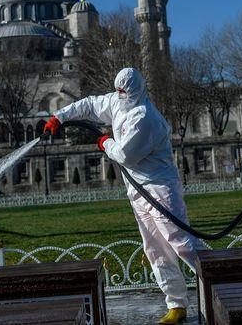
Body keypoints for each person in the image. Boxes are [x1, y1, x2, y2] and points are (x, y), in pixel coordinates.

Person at [44, 67, 201, 324]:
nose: (119, 94)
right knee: (155, 250)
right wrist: (59, 117)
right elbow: (89, 104)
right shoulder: (117, 101)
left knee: (182, 243)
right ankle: (176, 305)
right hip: (138, 191)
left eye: (124, 90)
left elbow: (126, 155)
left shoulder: (145, 117)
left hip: (160, 189)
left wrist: (105, 143)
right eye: (117, 90)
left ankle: (219, 287)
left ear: (136, 90)